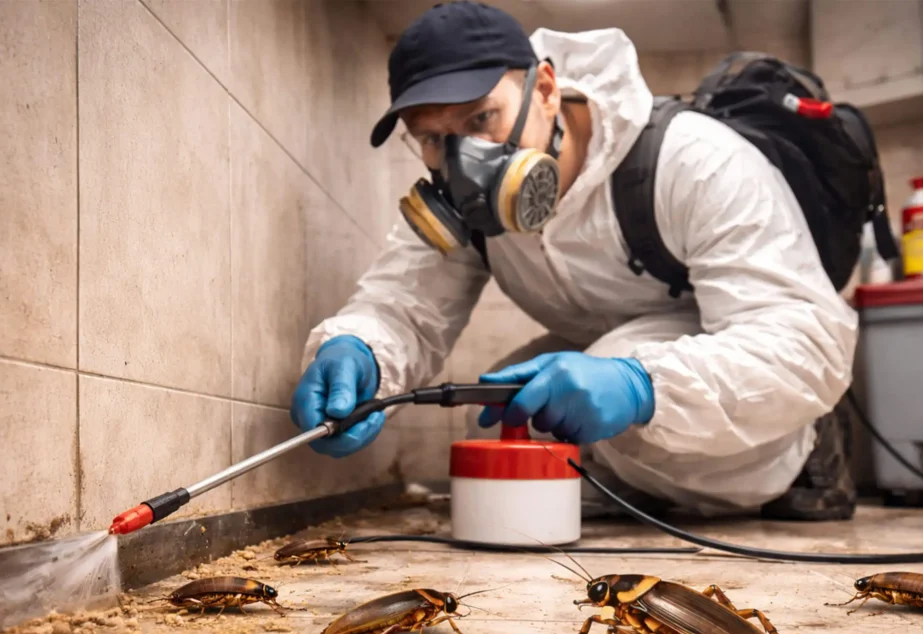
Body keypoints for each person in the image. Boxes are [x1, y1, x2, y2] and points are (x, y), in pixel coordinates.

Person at [290, 0, 860, 521]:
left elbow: (806, 342)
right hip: (613, 353)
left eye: (481, 120)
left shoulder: (694, 161)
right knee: (497, 423)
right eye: (434, 139)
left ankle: (805, 454)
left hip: (739, 364)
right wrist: (360, 351)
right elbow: (403, 308)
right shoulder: (463, 207)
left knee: (620, 379)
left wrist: (640, 385)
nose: (463, 161)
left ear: (544, 89)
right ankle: (645, 486)